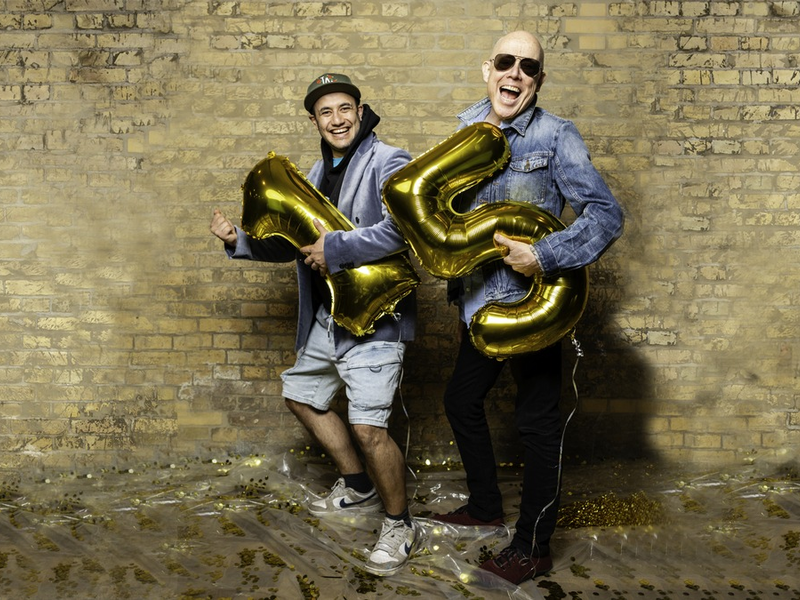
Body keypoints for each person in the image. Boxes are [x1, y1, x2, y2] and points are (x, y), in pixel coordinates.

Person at [429, 32, 624, 585]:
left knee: (537, 426)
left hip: (534, 308)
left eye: (529, 68)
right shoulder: (468, 126)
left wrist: (543, 255)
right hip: (479, 306)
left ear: (538, 80)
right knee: (461, 401)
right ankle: (486, 506)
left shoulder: (556, 135)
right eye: (506, 63)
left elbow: (606, 215)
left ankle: (533, 548)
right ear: (487, 69)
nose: (516, 74)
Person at [210, 73, 419, 577]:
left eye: (345, 108)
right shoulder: (311, 170)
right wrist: (237, 239)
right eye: (326, 113)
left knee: (370, 429)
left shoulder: (389, 160)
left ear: (360, 110)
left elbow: (403, 228)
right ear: (315, 121)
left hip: (374, 317)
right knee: (300, 395)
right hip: (328, 318)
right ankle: (359, 486)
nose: (337, 119)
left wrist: (338, 248)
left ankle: (399, 524)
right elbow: (290, 245)